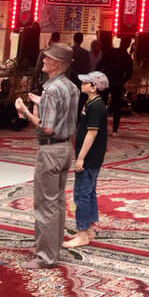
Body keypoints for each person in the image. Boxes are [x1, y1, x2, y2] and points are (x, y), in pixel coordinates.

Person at [18, 43, 77, 269]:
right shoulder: (71, 87)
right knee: (57, 202)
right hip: (65, 149)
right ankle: (53, 248)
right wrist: (40, 102)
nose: (43, 61)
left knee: (45, 204)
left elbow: (48, 128)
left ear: (56, 64)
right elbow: (62, 112)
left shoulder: (52, 90)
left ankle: (45, 256)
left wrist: (24, 112)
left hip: (51, 150)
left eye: (47, 59)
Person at [65, 70, 110, 249]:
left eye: (85, 82)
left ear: (93, 87)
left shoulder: (96, 106)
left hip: (90, 157)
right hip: (93, 156)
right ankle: (90, 228)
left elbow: (92, 133)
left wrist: (80, 158)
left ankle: (82, 233)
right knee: (89, 192)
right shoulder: (92, 103)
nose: (82, 84)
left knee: (82, 194)